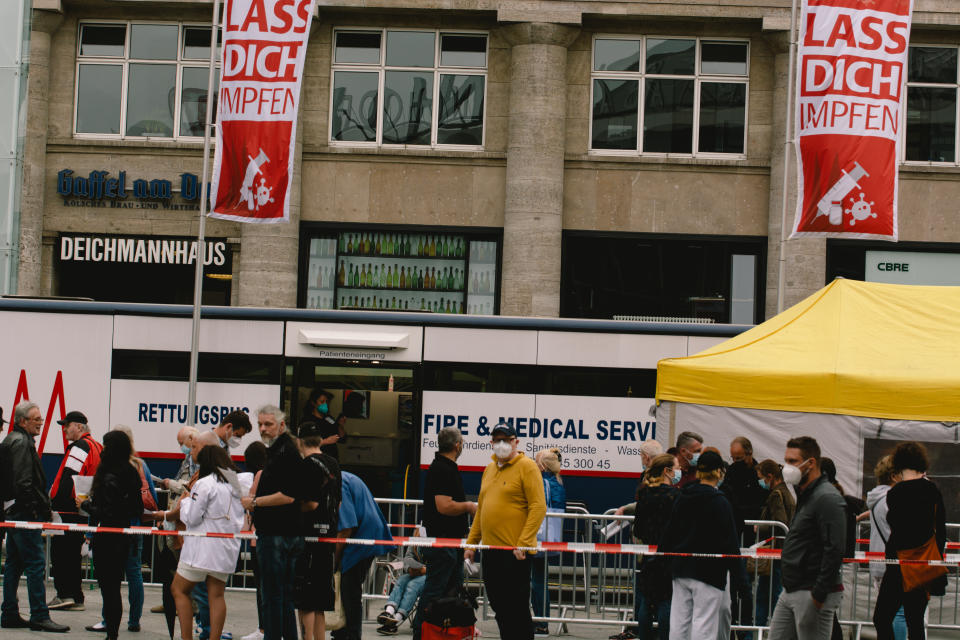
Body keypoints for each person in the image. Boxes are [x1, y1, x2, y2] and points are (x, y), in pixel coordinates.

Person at [464, 423, 547, 640]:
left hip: (515, 553)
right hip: (491, 552)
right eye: (497, 440)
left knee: (517, 610)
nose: (501, 444)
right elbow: (482, 508)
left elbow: (538, 506)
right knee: (500, 607)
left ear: (516, 442)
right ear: (491, 443)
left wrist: (524, 542)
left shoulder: (527, 467)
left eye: (506, 440)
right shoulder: (489, 469)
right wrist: (471, 543)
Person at [660, 450, 747, 640]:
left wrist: (662, 562)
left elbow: (670, 532)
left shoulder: (683, 496)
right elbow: (730, 542)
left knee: (679, 623)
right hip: (709, 571)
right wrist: (741, 579)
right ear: (719, 472)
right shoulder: (721, 502)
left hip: (681, 568)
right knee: (704, 624)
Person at [0, 401, 70, 632]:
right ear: (23, 421)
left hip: (14, 511)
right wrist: (34, 512)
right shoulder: (21, 443)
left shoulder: (13, 440)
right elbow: (23, 482)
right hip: (23, 513)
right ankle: (39, 614)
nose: (41, 422)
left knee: (14, 564)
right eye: (36, 419)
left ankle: (9, 612)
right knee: (35, 563)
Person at [768, 437, 845, 640]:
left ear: (810, 463)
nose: (787, 467)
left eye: (793, 461)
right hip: (793, 588)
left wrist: (819, 594)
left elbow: (835, 548)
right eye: (786, 461)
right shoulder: (808, 495)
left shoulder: (826, 498)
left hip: (811, 590)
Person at [84, 425, 159, 634]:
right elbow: (140, 504)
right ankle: (133, 620)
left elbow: (103, 510)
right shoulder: (136, 469)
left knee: (109, 587)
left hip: (107, 535)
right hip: (129, 531)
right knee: (132, 576)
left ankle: (110, 627)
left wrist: (86, 506)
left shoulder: (107, 473)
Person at [171, 445, 249, 640]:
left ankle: (186, 637)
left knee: (179, 589)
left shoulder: (204, 484)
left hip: (201, 548)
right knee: (217, 595)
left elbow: (192, 517)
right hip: (226, 548)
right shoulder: (237, 484)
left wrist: (186, 501)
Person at [241, 406, 305, 640]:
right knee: (283, 597)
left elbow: (287, 496)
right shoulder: (283, 449)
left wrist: (254, 502)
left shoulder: (284, 453)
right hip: (285, 532)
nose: (262, 429)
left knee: (272, 597)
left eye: (268, 424)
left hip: (277, 534)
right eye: (260, 424)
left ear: (281, 425)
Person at [873, 442, 946, 640]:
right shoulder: (933, 490)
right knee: (915, 621)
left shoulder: (896, 493)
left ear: (898, 465)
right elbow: (941, 529)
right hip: (923, 566)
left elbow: (896, 528)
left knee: (882, 618)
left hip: (899, 566)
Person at [412, 427, 476, 640]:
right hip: (444, 544)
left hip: (451, 543)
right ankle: (421, 632)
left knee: (449, 592)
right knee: (434, 591)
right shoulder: (442, 469)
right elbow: (444, 506)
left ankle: (443, 632)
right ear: (457, 445)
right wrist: (468, 506)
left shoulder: (445, 467)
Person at [47, 410, 102, 612]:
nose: (64, 428)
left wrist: (55, 505)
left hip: (68, 509)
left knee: (61, 552)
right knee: (73, 553)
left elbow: (70, 476)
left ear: (78, 427)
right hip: (81, 509)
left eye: (67, 424)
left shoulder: (80, 447)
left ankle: (65, 594)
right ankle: (76, 595)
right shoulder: (96, 446)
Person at [295, 423, 342, 640]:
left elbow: (310, 503)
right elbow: (338, 502)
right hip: (329, 534)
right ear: (320, 440)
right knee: (321, 600)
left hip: (309, 535)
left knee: (306, 600)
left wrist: (291, 508)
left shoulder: (306, 465)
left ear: (299, 441)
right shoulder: (333, 463)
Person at [334, 471, 392, 640]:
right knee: (348, 587)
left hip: (362, 538)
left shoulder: (339, 485)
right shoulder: (345, 478)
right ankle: (343, 632)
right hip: (367, 533)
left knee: (349, 587)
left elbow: (346, 528)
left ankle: (350, 634)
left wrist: (334, 559)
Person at [630, 453, 679, 640]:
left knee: (646, 600)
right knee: (666, 601)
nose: (678, 472)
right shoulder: (675, 496)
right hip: (668, 554)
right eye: (675, 468)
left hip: (648, 553)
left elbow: (638, 527)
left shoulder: (644, 493)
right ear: (667, 471)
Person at [722, 437, 766, 637]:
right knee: (732, 588)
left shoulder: (758, 474)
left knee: (747, 587)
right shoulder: (731, 472)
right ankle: (731, 628)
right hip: (733, 536)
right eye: (733, 458)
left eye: (739, 458)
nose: (735, 461)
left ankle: (746, 630)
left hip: (750, 538)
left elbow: (761, 502)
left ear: (749, 454)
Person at [865, 455, 906, 640]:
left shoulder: (877, 498)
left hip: (880, 562)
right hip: (895, 563)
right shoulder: (892, 500)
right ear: (894, 476)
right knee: (899, 613)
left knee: (887, 614)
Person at [752, 460, 795, 628]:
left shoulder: (777, 494)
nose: (760, 481)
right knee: (769, 592)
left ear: (770, 476)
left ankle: (760, 630)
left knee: (767, 594)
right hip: (780, 551)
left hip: (775, 551)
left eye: (761, 477)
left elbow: (780, 523)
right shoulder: (787, 492)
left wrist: (759, 527)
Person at [531, 448, 566, 636]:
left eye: (536, 463)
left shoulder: (543, 483)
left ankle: (541, 621)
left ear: (543, 466)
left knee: (537, 581)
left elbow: (537, 506)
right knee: (540, 579)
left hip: (539, 537)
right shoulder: (558, 482)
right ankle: (541, 619)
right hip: (551, 536)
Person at [241, 441, 270, 640]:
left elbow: (250, 503)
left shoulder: (261, 475)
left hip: (259, 538)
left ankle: (263, 629)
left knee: (262, 587)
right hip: (277, 538)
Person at [376, 546, 426, 635]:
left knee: (413, 585)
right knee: (401, 581)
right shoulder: (417, 534)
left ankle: (395, 621)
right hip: (417, 572)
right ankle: (388, 612)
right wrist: (409, 569)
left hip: (433, 574)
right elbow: (408, 557)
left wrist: (425, 569)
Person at [613, 440, 663, 517]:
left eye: (641, 457)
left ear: (646, 457)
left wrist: (625, 508)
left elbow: (646, 502)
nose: (642, 462)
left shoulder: (653, 477)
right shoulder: (665, 474)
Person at [302, 388, 347, 460]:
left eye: (326, 402)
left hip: (331, 459)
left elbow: (342, 439)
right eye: (322, 402)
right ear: (313, 403)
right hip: (316, 459)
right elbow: (305, 443)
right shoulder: (307, 420)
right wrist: (325, 441)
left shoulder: (329, 418)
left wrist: (340, 425)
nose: (325, 404)